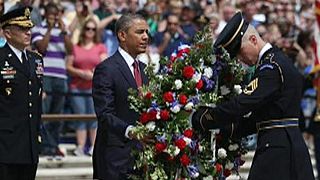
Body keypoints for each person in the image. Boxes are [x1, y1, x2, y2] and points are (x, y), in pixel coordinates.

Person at [191, 12, 315, 180]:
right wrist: (227, 130)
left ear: (253, 40)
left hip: (278, 151)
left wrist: (206, 118)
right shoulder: (277, 61)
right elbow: (260, 118)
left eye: (240, 51)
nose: (241, 59)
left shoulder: (270, 68)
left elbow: (242, 104)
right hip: (284, 145)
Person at [92, 13, 149, 179]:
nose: (145, 37)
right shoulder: (107, 69)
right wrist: (132, 131)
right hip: (115, 159)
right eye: (139, 32)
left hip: (142, 158)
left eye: (146, 32)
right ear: (122, 35)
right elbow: (105, 114)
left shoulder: (145, 70)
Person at [0, 6, 43, 180]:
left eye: (29, 28)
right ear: (8, 33)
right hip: (5, 144)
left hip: (30, 143)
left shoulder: (36, 59)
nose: (28, 33)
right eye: (22, 29)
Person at [31, 2, 72, 158]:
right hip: (45, 75)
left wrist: (64, 31)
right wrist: (49, 28)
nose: (53, 17)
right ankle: (44, 146)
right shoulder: (37, 29)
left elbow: (70, 50)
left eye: (56, 15)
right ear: (45, 14)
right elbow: (42, 48)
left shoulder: (63, 30)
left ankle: (54, 145)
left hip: (61, 76)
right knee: (45, 113)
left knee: (58, 114)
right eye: (51, 15)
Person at [66, 18, 107, 156]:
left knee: (93, 116)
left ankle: (94, 146)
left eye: (93, 29)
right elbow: (68, 66)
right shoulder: (75, 47)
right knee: (80, 116)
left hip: (94, 87)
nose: (90, 31)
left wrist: (95, 73)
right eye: (88, 28)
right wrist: (81, 73)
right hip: (77, 86)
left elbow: (105, 65)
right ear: (83, 30)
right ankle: (81, 145)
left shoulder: (100, 47)